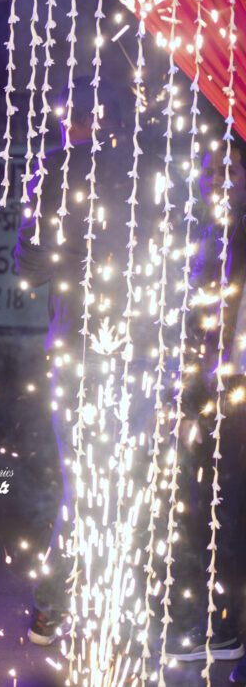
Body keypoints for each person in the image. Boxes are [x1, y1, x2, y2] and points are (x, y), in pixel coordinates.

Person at [14, 75, 171, 648]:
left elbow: (30, 265)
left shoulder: (58, 170)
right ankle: (129, 609)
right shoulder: (155, 171)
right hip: (147, 347)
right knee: (132, 477)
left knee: (84, 483)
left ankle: (57, 607)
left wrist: (56, 241)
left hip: (81, 346)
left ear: (80, 120)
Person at [167, 140, 246, 672]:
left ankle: (227, 625)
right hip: (217, 387)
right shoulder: (211, 230)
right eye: (207, 169)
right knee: (213, 508)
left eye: (227, 168)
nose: (214, 178)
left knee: (230, 508)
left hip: (237, 385)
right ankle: (221, 621)